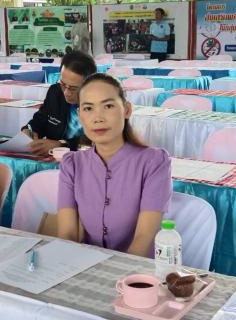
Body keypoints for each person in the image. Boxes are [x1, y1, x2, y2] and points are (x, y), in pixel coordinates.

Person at [57, 73, 172, 257]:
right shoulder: (72, 164)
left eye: (108, 106)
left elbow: (143, 239)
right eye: (88, 108)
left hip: (136, 275)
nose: (98, 118)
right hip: (86, 267)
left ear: (126, 110)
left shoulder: (154, 162)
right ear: (79, 115)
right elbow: (67, 235)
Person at [22, 51, 97, 155]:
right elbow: (39, 121)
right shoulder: (55, 92)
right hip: (54, 160)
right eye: (62, 84)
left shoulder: (100, 102)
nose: (66, 92)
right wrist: (29, 130)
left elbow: (96, 139)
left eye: (73, 88)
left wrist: (62, 144)